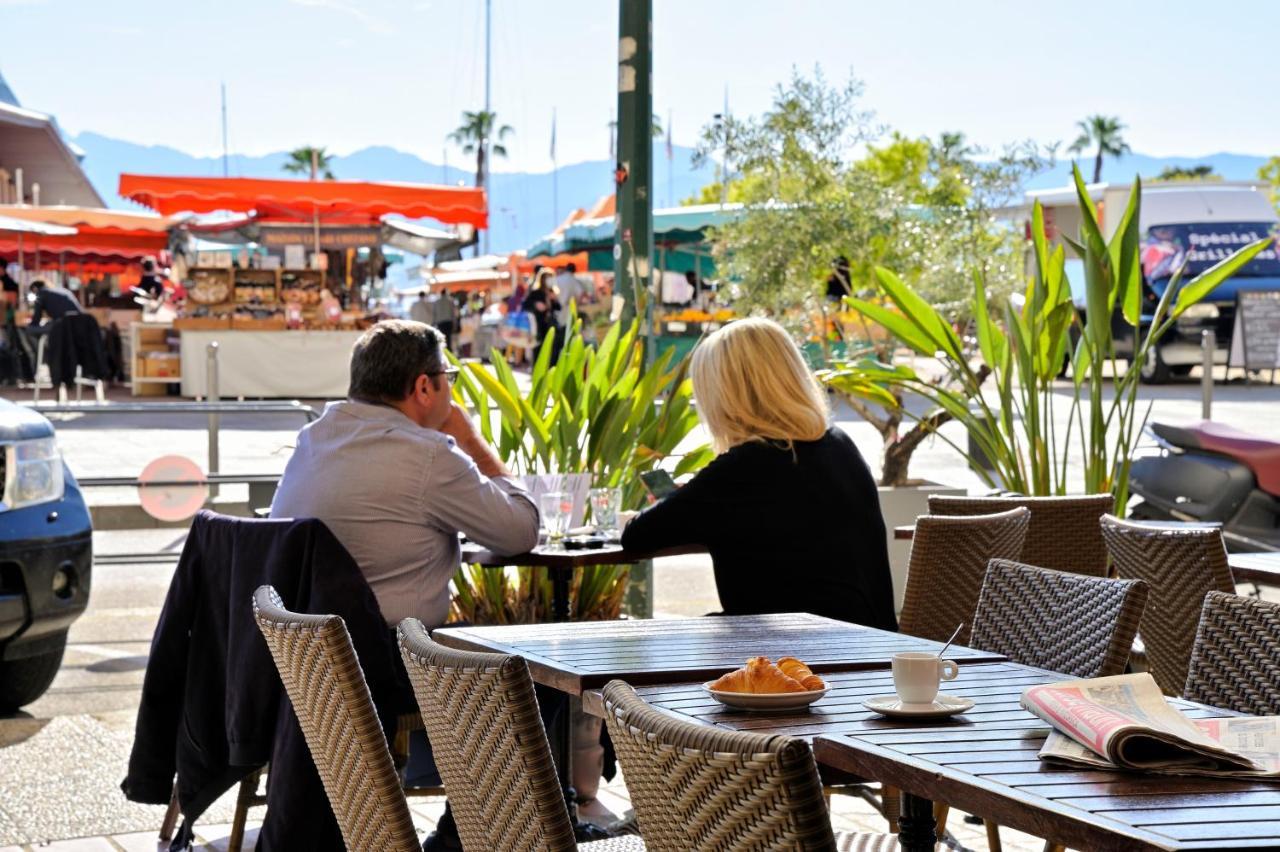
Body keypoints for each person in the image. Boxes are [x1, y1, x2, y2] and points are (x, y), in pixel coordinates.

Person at [621, 317, 897, 631]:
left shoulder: (743, 467)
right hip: (871, 643)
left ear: (725, 395)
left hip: (796, 658)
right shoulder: (839, 445)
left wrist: (685, 496)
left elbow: (637, 536)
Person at [271, 319, 539, 629]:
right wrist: (469, 439)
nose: (451, 391)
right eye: (448, 377)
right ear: (424, 387)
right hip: (391, 664)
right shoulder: (428, 455)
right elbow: (521, 532)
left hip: (304, 663)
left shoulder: (313, 439)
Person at [521, 268, 561, 364]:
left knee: (552, 348)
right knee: (539, 348)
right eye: (547, 278)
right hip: (539, 325)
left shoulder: (553, 292)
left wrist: (554, 300)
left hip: (550, 324)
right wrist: (536, 305)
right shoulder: (536, 292)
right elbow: (526, 305)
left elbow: (558, 308)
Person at [431, 287, 459, 352]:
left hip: (440, 322)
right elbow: (453, 313)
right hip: (448, 322)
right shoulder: (450, 300)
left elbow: (434, 313)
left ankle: (444, 351)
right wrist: (455, 323)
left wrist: (434, 323)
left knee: (442, 337)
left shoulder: (437, 302)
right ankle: (448, 351)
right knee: (448, 338)